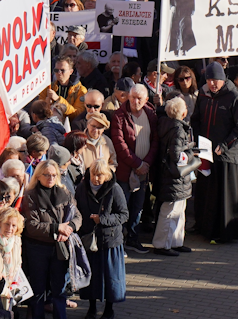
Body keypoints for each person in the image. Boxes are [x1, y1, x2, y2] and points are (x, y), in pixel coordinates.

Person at [191, 61, 238, 241]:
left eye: (216, 80)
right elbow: (196, 119)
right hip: (206, 153)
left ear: (223, 79)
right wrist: (199, 142)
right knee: (205, 192)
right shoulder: (203, 95)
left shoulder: (234, 97)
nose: (212, 84)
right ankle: (203, 227)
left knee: (223, 196)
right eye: (209, 80)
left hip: (226, 155)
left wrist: (224, 146)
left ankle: (225, 233)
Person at [21, 160, 80, 319]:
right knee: (38, 289)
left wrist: (70, 227)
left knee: (59, 289)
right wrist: (56, 228)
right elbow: (31, 225)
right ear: (39, 176)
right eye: (47, 175)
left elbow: (77, 215)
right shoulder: (30, 195)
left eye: (54, 175)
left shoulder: (64, 192)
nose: (51, 178)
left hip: (59, 247)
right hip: (37, 248)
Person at [74, 161, 127, 318]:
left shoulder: (115, 189)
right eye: (93, 175)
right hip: (89, 240)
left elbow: (124, 214)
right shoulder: (82, 188)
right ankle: (91, 307)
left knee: (110, 278)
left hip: (109, 241)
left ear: (107, 175)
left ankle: (109, 309)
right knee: (91, 276)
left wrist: (102, 219)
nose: (96, 178)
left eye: (100, 175)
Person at [108, 83, 156, 251]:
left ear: (146, 100)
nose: (135, 101)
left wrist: (146, 163)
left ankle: (133, 239)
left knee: (138, 206)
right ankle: (119, 241)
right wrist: (137, 164)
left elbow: (155, 141)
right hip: (125, 171)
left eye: (139, 99)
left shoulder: (151, 114)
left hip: (143, 171)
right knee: (123, 206)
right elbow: (119, 144)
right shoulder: (119, 116)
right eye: (133, 97)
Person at [152, 97, 195, 255]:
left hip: (172, 176)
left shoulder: (167, 125)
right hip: (174, 176)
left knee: (179, 209)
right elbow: (177, 155)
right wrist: (191, 154)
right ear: (183, 113)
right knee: (170, 210)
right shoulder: (178, 129)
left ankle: (176, 241)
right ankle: (162, 244)